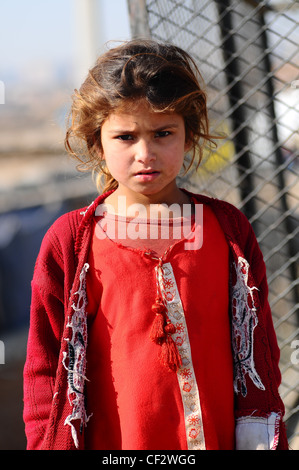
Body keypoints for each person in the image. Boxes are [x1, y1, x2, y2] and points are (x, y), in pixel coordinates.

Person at [23, 39, 288, 450]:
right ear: (98, 144)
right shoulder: (72, 242)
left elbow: (261, 355)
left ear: (188, 136)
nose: (145, 153)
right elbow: (45, 370)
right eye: (125, 137)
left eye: (163, 133)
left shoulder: (227, 229)